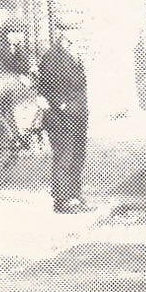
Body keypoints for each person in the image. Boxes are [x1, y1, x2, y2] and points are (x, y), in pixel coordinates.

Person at [35, 26, 91, 214]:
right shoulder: (52, 56)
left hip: (78, 114)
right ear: (61, 33)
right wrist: (63, 105)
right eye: (68, 30)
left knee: (77, 156)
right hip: (60, 116)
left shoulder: (74, 52)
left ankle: (75, 195)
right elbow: (48, 86)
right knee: (64, 156)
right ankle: (62, 200)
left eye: (75, 29)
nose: (73, 33)